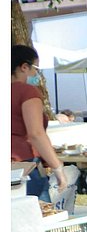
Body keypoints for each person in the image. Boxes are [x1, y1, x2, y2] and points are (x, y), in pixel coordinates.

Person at [11, 44, 66, 202]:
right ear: (24, 67)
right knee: (35, 218)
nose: (36, 74)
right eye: (35, 69)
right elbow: (36, 133)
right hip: (24, 166)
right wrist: (58, 168)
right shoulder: (27, 92)